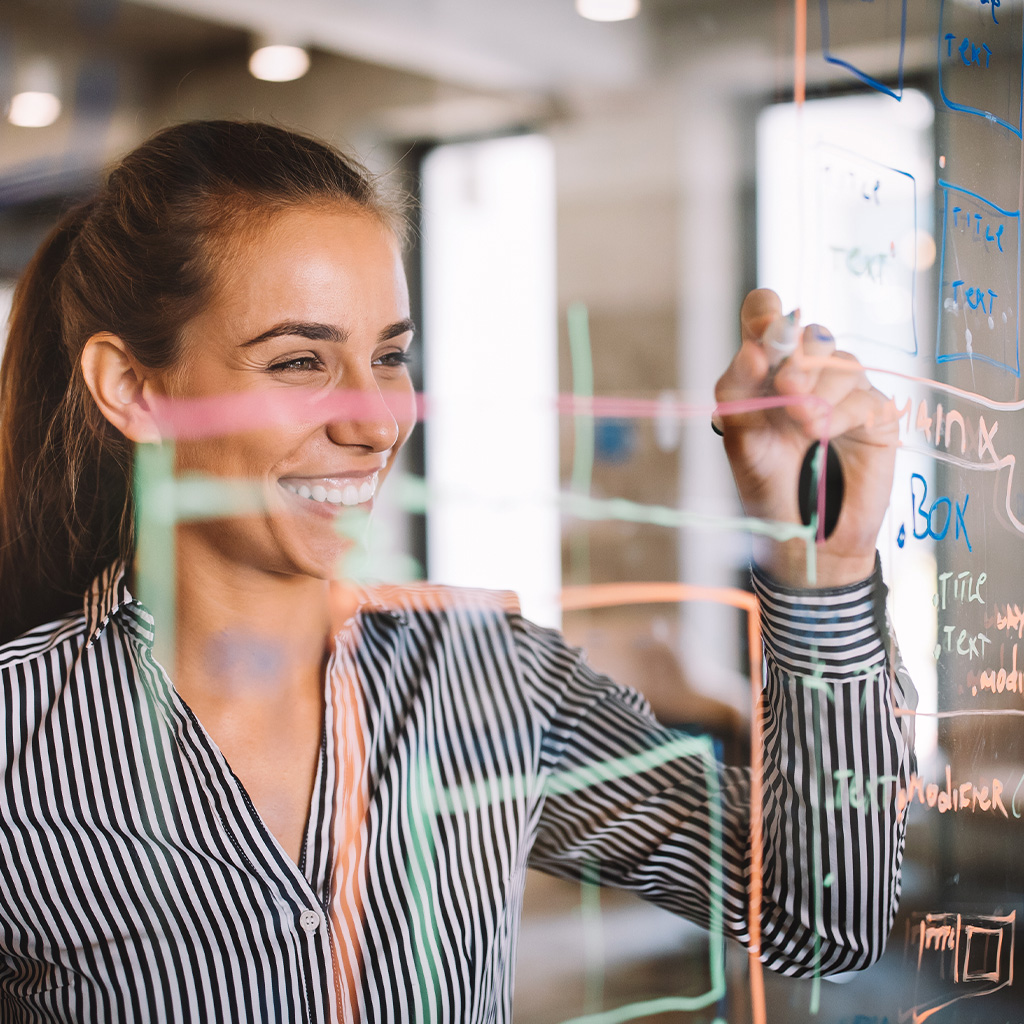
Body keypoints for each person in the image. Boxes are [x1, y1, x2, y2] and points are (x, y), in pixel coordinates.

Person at [0, 120, 914, 1023]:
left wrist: (824, 568)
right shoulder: (17, 743)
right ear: (133, 387)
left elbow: (821, 919)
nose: (374, 423)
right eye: (299, 360)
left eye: (390, 356)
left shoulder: (487, 678)